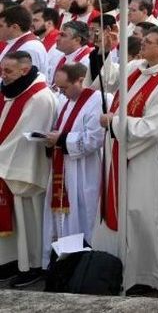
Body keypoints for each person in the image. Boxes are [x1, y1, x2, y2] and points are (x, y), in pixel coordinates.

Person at [95, 25, 158, 294]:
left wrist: (114, 123)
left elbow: (156, 127)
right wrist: (105, 51)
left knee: (145, 214)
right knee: (126, 212)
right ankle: (119, 268)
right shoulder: (141, 67)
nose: (142, 44)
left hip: (150, 157)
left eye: (148, 42)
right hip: (125, 153)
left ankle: (148, 274)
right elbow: (112, 79)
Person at [39, 61, 103, 262]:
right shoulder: (67, 102)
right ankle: (61, 260)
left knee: (83, 215)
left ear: (80, 81)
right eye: (58, 88)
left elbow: (94, 138)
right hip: (64, 167)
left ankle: (81, 261)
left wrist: (61, 139)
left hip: (85, 171)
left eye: (64, 87)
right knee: (64, 218)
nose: (61, 92)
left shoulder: (98, 100)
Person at [0, 51, 54, 286]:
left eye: (8, 71)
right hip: (9, 165)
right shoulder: (13, 90)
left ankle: (33, 265)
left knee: (29, 220)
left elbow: (24, 138)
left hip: (27, 171)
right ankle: (12, 261)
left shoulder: (39, 97)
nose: (3, 75)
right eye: (2, 70)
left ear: (24, 70)